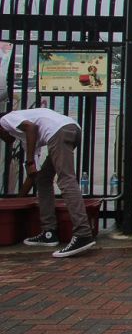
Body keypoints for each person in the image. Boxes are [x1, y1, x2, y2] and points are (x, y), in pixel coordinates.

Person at [0, 109, 95, 257]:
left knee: (66, 179)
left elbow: (31, 127)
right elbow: (33, 174)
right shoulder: (26, 138)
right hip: (71, 129)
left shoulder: (5, 120)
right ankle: (49, 232)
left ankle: (83, 234)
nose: (3, 139)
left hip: (59, 131)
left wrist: (29, 161)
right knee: (43, 179)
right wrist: (18, 199)